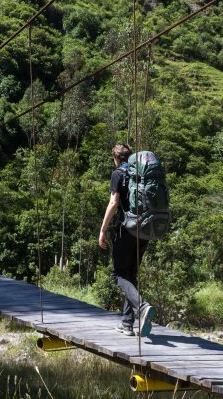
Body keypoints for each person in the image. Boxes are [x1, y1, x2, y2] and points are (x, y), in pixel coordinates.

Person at [98, 143, 156, 337]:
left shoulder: (118, 173)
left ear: (116, 158)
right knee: (130, 275)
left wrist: (103, 229)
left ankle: (142, 307)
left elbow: (114, 203)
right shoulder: (140, 173)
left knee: (119, 275)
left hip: (126, 229)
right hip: (145, 229)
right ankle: (127, 324)